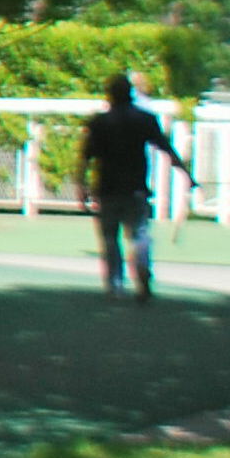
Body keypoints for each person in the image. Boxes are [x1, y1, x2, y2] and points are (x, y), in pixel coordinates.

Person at [79, 73, 190, 301]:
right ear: (130, 93)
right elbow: (166, 148)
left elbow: (84, 158)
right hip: (136, 189)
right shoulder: (145, 119)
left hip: (107, 189)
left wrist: (81, 186)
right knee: (139, 235)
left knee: (110, 238)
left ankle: (115, 285)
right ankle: (142, 275)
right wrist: (186, 174)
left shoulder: (99, 122)